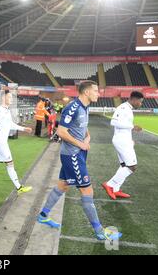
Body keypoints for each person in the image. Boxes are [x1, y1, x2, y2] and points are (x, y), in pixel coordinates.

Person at [36, 81, 122, 241]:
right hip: (73, 155)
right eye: (96, 91)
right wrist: (81, 143)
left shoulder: (85, 106)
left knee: (62, 185)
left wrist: (87, 135)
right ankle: (99, 231)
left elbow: (81, 125)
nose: (98, 93)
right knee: (87, 191)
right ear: (87, 92)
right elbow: (61, 131)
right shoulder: (73, 107)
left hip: (77, 153)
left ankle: (43, 215)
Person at [102, 91, 144, 200]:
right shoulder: (123, 108)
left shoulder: (128, 108)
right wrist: (132, 126)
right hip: (121, 141)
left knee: (124, 166)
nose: (140, 104)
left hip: (124, 140)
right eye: (140, 102)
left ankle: (115, 190)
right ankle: (110, 184)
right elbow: (114, 122)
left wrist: (130, 140)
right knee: (132, 166)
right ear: (134, 100)